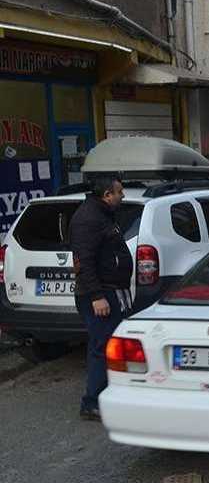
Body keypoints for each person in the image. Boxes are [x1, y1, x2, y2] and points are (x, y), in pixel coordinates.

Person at [69, 175, 134, 421]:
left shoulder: (103, 215)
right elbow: (83, 261)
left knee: (113, 345)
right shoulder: (88, 219)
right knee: (101, 346)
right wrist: (97, 296)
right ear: (107, 194)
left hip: (111, 291)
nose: (123, 195)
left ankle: (111, 395)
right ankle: (92, 402)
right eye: (119, 192)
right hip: (99, 295)